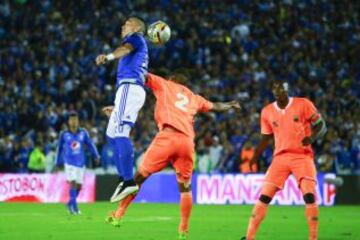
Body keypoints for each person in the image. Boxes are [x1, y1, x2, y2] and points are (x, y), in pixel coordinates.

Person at [103, 70, 240, 240]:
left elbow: (140, 74)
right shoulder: (194, 97)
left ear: (173, 79)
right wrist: (231, 104)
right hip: (187, 142)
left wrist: (120, 109)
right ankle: (183, 231)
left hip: (167, 137)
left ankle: (118, 215)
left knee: (138, 178)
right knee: (185, 188)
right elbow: (216, 106)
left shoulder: (165, 84)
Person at [241, 81, 327, 240]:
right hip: (280, 158)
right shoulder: (267, 111)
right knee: (264, 196)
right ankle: (249, 237)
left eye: (281, 92)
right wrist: (255, 156)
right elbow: (265, 138)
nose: (278, 95)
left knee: (309, 195)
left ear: (287, 91)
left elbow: (322, 125)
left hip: (302, 156)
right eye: (276, 93)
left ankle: (313, 238)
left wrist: (313, 137)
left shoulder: (303, 104)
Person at [96, 17, 148, 202]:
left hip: (129, 88)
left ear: (136, 27)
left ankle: (128, 181)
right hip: (128, 92)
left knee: (120, 134)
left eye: (126, 23)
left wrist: (108, 57)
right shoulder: (139, 44)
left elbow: (125, 50)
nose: (122, 26)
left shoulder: (135, 38)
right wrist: (119, 107)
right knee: (111, 135)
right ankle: (122, 179)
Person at [55, 112, 100, 215]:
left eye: (75, 119)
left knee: (79, 187)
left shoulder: (83, 133)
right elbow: (59, 148)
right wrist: (57, 162)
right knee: (73, 183)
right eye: (72, 120)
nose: (74, 122)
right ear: (69, 122)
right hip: (69, 163)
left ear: (78, 121)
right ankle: (74, 209)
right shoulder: (64, 134)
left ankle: (70, 203)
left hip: (80, 163)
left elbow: (90, 144)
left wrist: (96, 155)